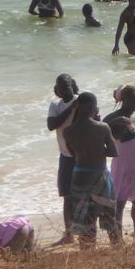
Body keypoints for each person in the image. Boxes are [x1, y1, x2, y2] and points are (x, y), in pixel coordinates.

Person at [62, 93, 122, 246]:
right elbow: (113, 152)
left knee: (85, 222)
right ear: (93, 107)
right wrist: (97, 149)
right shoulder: (102, 128)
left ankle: (87, 254)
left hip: (80, 176)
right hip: (100, 176)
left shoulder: (68, 131)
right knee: (110, 220)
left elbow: (72, 153)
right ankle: (118, 252)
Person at [105, 85, 135, 237]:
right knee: (119, 202)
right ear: (123, 100)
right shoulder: (112, 118)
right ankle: (117, 238)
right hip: (123, 165)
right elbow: (101, 137)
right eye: (133, 99)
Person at [46, 74, 80, 245]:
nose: (64, 89)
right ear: (57, 89)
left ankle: (85, 234)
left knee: (84, 195)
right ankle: (69, 234)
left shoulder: (81, 100)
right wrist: (71, 108)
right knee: (67, 195)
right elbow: (52, 125)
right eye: (60, 86)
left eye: (66, 85)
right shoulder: (56, 105)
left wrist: (76, 106)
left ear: (72, 85)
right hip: (66, 155)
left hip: (82, 155)